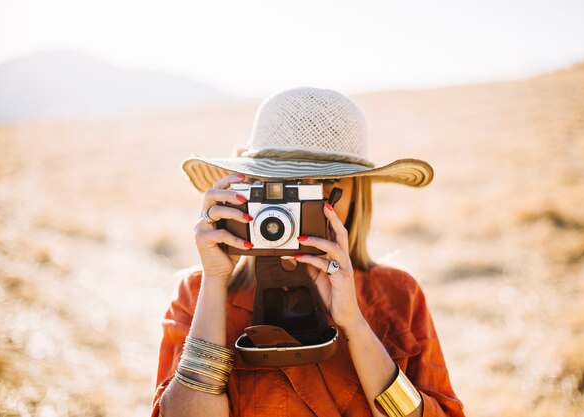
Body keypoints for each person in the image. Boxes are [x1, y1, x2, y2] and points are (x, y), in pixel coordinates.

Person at [152, 87, 465, 417]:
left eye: (328, 183)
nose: (310, 203)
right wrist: (216, 280)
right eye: (292, 186)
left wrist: (355, 326)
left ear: (359, 195)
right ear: (252, 190)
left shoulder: (398, 293)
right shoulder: (198, 292)